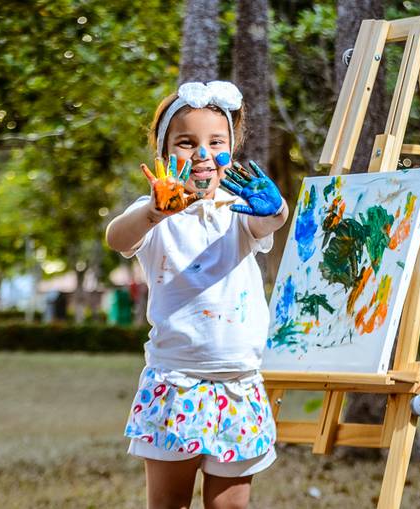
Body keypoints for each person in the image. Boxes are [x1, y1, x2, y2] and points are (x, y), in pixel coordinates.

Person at [105, 80, 289, 509]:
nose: (202, 154)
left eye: (216, 142)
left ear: (231, 150)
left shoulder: (238, 210)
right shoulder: (154, 214)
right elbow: (117, 237)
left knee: (230, 505)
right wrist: (154, 212)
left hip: (238, 383)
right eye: (187, 143)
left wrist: (277, 209)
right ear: (164, 152)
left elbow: (270, 222)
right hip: (176, 383)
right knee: (169, 502)